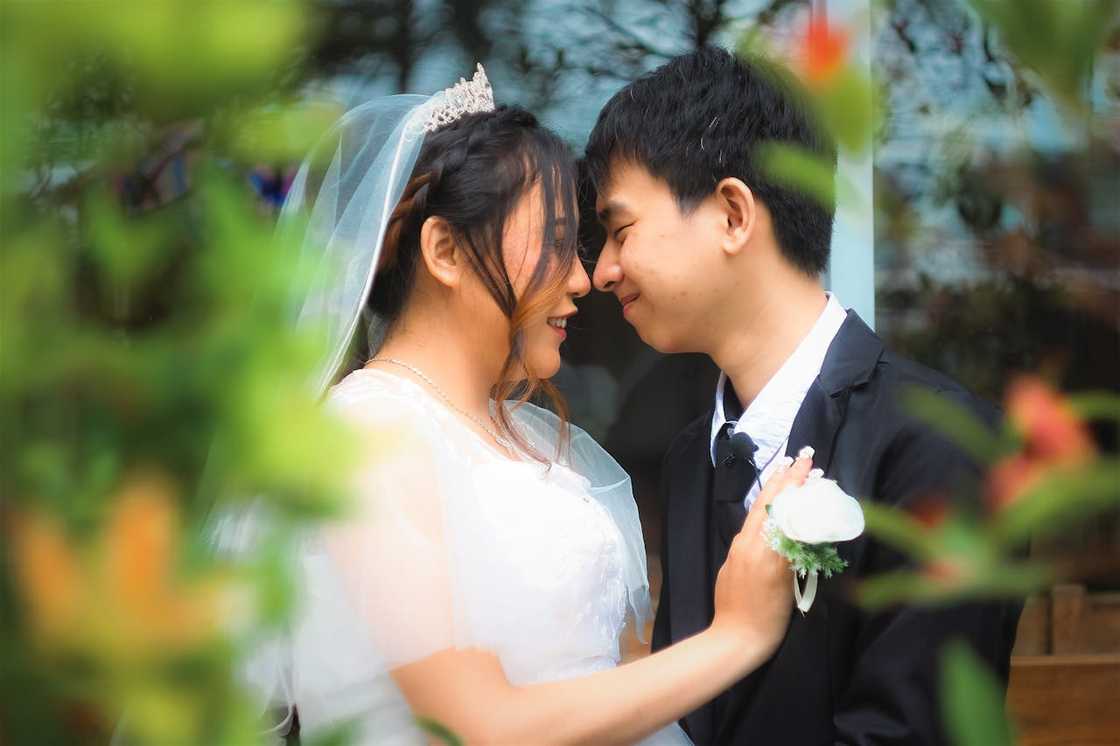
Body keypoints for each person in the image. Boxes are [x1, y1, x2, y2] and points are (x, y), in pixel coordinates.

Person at [231, 65, 819, 746]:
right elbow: (475, 723)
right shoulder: (365, 435)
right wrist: (738, 636)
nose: (580, 279)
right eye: (555, 242)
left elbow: (616, 675)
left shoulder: (544, 445)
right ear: (445, 252)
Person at [583, 46, 1021, 745]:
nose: (602, 271)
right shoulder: (692, 459)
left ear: (732, 214)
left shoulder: (938, 447)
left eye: (619, 230)